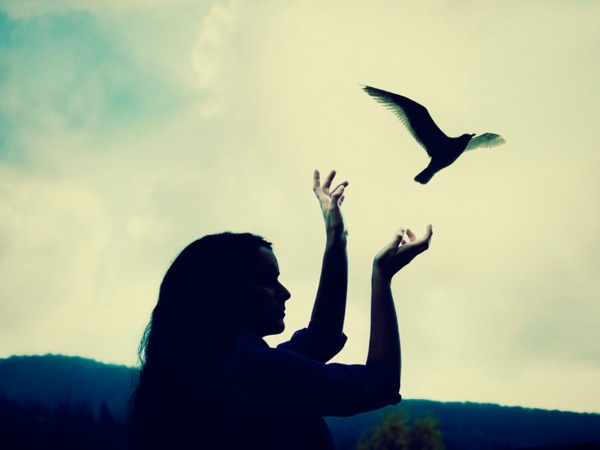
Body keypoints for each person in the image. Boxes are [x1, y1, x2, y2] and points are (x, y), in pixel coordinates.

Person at [129, 169, 433, 450]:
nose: (285, 292)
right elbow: (381, 382)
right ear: (224, 291)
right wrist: (382, 276)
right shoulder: (256, 369)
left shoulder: (213, 370)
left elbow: (322, 337)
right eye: (266, 279)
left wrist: (336, 237)